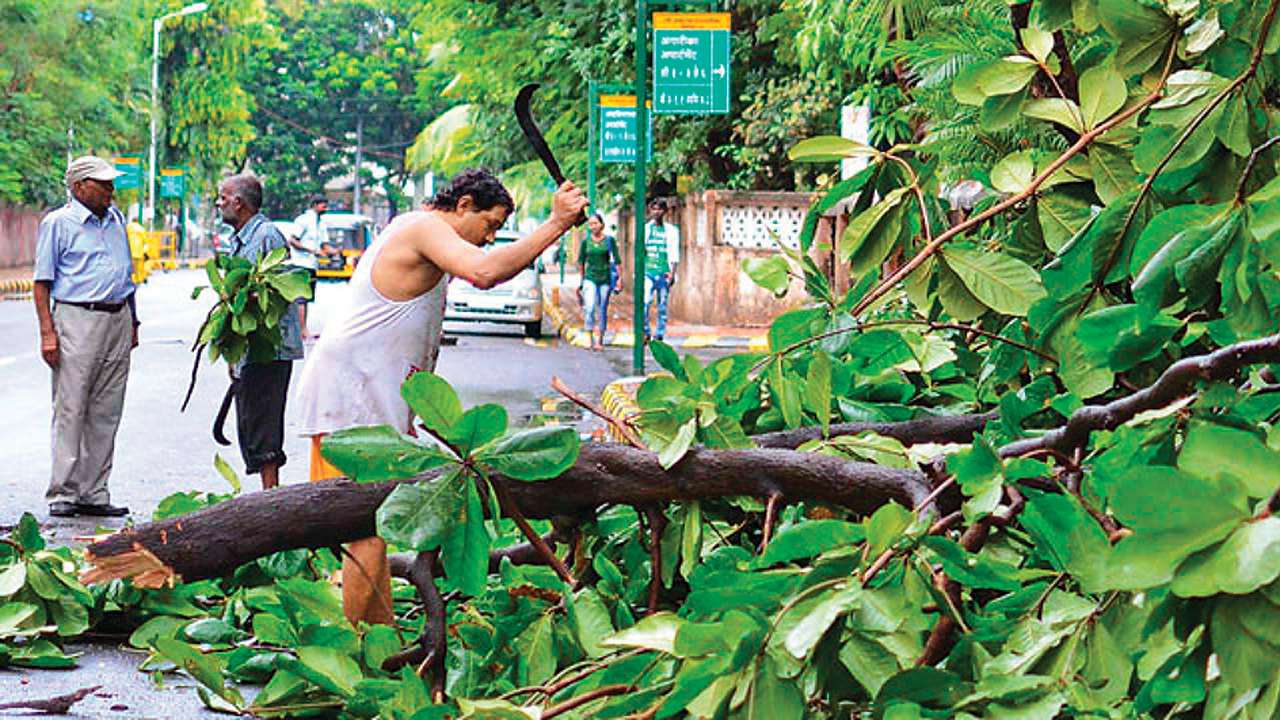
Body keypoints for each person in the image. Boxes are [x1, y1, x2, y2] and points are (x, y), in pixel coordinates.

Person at [295, 168, 588, 626]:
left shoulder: (426, 234)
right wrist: (555, 224)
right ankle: (365, 648)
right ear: (465, 205)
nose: (489, 239)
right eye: (489, 225)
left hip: (370, 399)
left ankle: (379, 636)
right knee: (362, 530)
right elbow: (485, 273)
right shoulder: (423, 227)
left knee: (373, 528)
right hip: (349, 397)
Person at [33, 156, 139, 518]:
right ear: (79, 187)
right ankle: (63, 491)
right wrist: (48, 332)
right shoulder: (58, 224)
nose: (111, 190)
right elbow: (42, 282)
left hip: (117, 319)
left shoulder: (116, 220)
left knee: (107, 410)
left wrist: (134, 323)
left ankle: (94, 492)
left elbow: (127, 274)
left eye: (111, 184)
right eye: (103, 184)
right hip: (78, 318)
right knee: (71, 406)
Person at [216, 173, 304, 491]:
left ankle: (271, 496)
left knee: (265, 422)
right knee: (250, 421)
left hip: (270, 345)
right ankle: (266, 495)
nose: (218, 203)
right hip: (249, 347)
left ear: (239, 203)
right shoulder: (240, 238)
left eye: (223, 198)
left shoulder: (267, 235)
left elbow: (279, 289)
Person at [576, 214, 620, 351]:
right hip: (590, 278)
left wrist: (620, 279)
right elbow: (581, 262)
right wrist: (582, 281)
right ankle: (590, 338)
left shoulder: (609, 241)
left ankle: (600, 339)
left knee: (602, 308)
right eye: (590, 224)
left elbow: (617, 261)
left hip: (605, 278)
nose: (593, 227)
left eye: (595, 223)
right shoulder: (586, 242)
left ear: (602, 225)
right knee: (589, 307)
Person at [287, 195, 328, 339]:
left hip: (312, 265)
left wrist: (333, 252)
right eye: (323, 206)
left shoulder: (321, 223)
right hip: (300, 263)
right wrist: (311, 250)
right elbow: (292, 240)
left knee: (307, 298)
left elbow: (324, 245)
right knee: (300, 298)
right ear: (315, 205)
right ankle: (301, 331)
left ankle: (304, 330)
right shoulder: (303, 220)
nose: (326, 209)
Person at [643, 199, 680, 342]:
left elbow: (674, 254)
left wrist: (672, 273)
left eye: (659, 209)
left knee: (662, 306)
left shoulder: (671, 231)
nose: (656, 212)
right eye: (654, 209)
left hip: (664, 272)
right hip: (648, 271)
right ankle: (646, 331)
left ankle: (659, 334)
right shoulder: (646, 229)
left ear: (664, 211)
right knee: (645, 302)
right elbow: (641, 252)